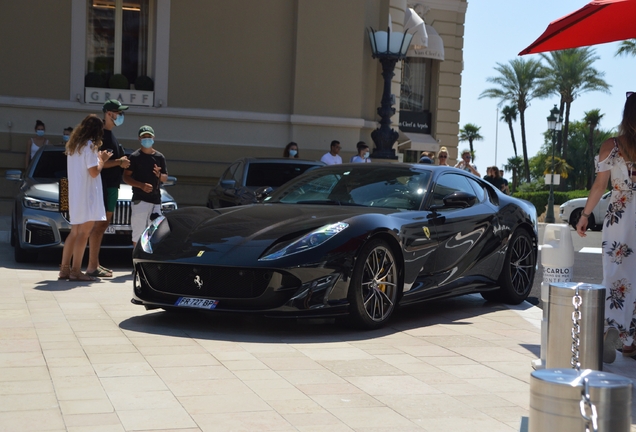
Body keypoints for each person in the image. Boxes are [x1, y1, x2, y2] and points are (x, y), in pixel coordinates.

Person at [576, 92, 636, 364]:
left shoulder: (612, 145)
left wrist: (585, 214)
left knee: (615, 273)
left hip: (620, 214)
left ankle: (609, 327)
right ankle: (629, 342)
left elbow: (600, 186)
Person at [58, 114, 112, 281]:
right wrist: (102, 160)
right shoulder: (90, 146)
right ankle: (75, 271)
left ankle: (64, 269)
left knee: (74, 232)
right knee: (84, 233)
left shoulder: (73, 146)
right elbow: (94, 172)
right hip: (87, 195)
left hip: (74, 193)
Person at [85, 100, 131, 278]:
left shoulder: (110, 134)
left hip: (112, 186)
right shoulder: (100, 136)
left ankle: (94, 264)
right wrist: (120, 162)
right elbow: (98, 163)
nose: (120, 116)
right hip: (103, 186)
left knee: (103, 225)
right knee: (98, 225)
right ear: (108, 113)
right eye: (118, 112)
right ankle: (90, 266)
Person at [123, 126, 168, 247]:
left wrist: (159, 175)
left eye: (149, 137)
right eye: (144, 137)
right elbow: (126, 177)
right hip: (140, 200)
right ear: (139, 138)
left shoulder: (159, 157)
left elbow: (165, 177)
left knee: (154, 234)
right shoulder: (135, 157)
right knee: (138, 234)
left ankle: (149, 262)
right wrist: (141, 185)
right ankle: (136, 262)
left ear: (153, 138)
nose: (147, 139)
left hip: (156, 202)